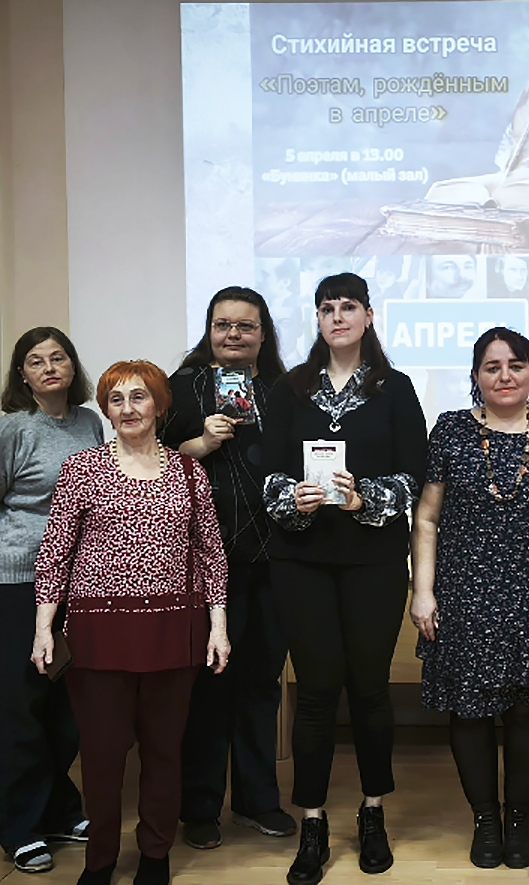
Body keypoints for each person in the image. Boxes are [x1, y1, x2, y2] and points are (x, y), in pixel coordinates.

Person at [31, 360, 230, 885]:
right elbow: (55, 553)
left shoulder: (189, 472)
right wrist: (44, 627)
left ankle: (155, 855)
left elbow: (211, 553)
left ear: (159, 405)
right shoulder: (82, 468)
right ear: (105, 409)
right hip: (98, 635)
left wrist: (218, 626)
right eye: (115, 400)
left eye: (138, 397)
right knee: (101, 755)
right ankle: (99, 859)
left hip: (174, 630)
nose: (127, 409)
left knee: (164, 752)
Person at [262, 272, 427, 885]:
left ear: (368, 315)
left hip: (373, 561)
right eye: (327, 307)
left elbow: (414, 475)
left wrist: (365, 500)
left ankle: (372, 811)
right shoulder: (289, 387)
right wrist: (292, 498)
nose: (337, 316)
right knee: (314, 692)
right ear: (318, 319)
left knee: (369, 689)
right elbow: (267, 473)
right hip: (301, 561)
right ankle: (312, 822)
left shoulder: (395, 388)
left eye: (348, 306)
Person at [411, 327, 529, 870]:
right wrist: (423, 592)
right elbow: (427, 517)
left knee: (528, 713)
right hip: (465, 596)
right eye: (492, 367)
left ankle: (520, 820)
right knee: (470, 713)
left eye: (516, 365)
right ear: (475, 376)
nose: (505, 375)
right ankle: (485, 820)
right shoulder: (451, 430)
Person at [161, 285, 294, 850]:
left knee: (261, 683)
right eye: (223, 325)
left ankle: (258, 801)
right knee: (208, 686)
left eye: (245, 326)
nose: (233, 334)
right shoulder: (179, 388)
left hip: (275, 558)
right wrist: (199, 442)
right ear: (209, 330)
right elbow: (146, 464)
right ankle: (200, 807)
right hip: (201, 562)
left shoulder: (286, 390)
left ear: (264, 334)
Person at [0, 327, 102, 874]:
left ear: (72, 365)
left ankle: (60, 808)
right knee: (23, 705)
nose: (48, 367)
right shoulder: (13, 427)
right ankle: (19, 826)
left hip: (78, 582)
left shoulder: (89, 422)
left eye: (57, 357)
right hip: (17, 581)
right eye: (35, 361)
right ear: (22, 373)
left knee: (70, 708)